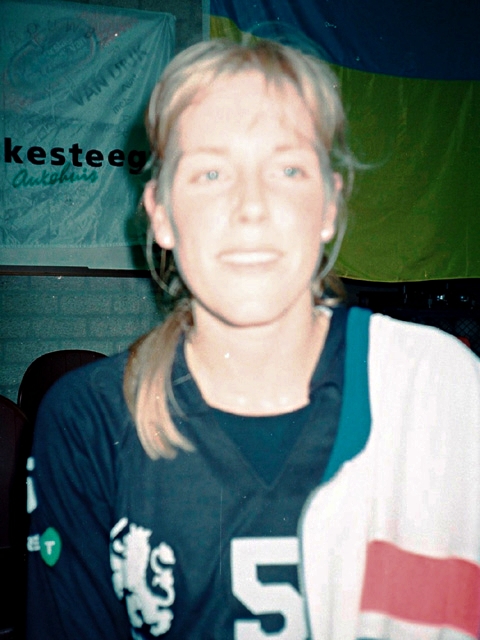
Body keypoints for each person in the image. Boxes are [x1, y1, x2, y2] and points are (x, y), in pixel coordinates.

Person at [26, 38, 480, 640]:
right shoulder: (88, 420)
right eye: (211, 172)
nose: (251, 208)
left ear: (330, 206)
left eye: (287, 170)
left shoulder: (436, 388)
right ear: (160, 213)